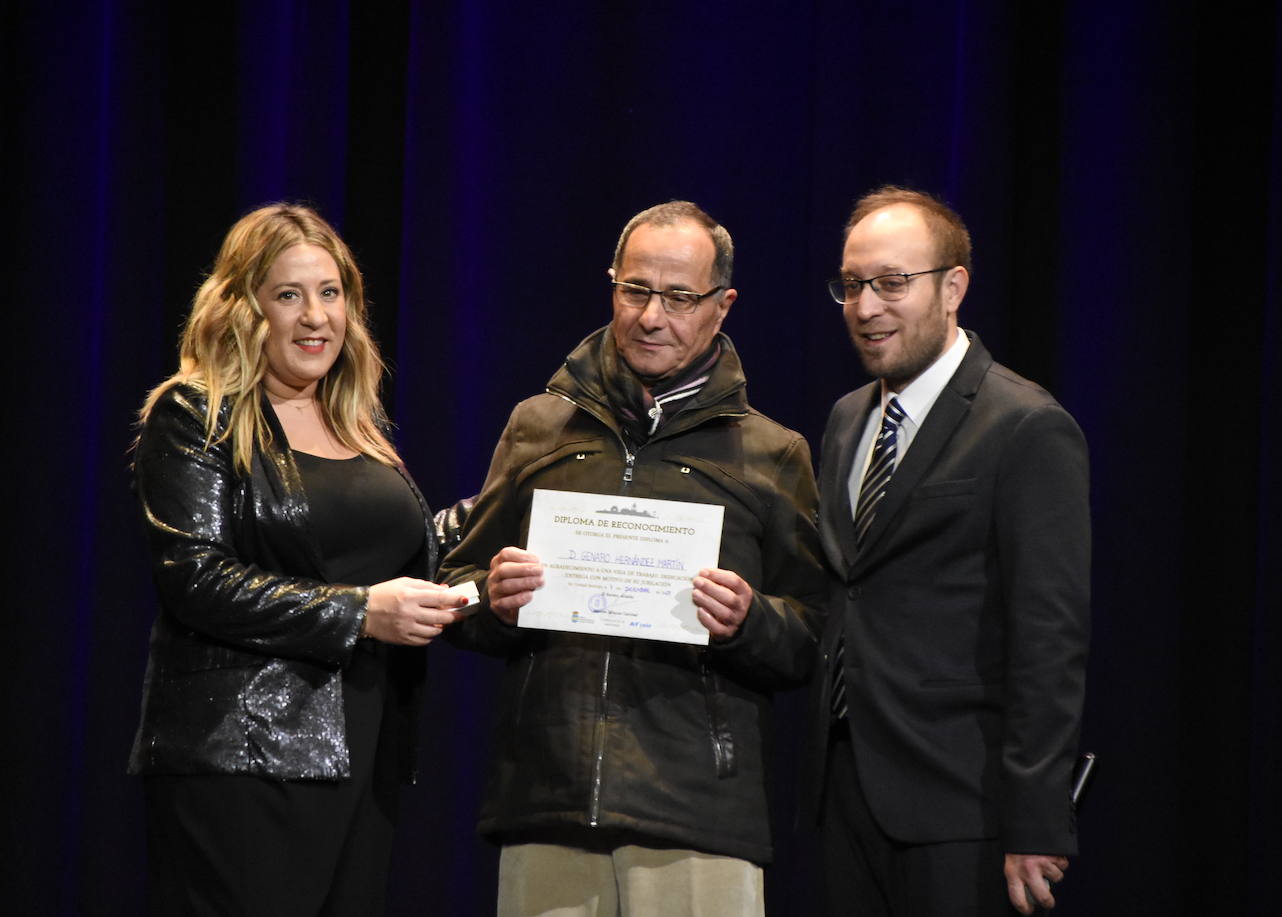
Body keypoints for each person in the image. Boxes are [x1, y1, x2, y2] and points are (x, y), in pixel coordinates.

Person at [439, 201, 826, 917]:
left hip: (697, 818)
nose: (653, 317)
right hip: (547, 801)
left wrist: (748, 620)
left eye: (679, 297)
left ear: (722, 305)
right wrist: (490, 597)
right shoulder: (539, 426)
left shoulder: (775, 454)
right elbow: (454, 587)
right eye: (635, 290)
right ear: (612, 285)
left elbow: (815, 636)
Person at [129, 203, 468, 915]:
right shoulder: (198, 415)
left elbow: (397, 555)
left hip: (363, 750)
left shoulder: (355, 424)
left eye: (330, 293)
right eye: (289, 295)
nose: (315, 317)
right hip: (246, 756)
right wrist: (361, 612)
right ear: (245, 307)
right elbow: (196, 576)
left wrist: (491, 561)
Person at [802, 186, 1091, 916]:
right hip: (846, 794)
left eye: (892, 283)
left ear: (954, 286)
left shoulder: (1024, 427)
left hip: (964, 807)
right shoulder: (845, 421)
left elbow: (1049, 638)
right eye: (853, 285)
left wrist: (1037, 817)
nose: (866, 308)